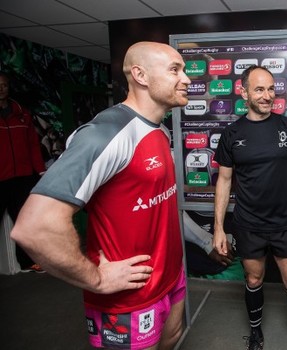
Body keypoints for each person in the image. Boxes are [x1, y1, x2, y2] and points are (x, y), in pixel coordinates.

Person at [11, 41, 191, 350]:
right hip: (128, 297)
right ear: (141, 75)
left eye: (184, 70)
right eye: (175, 70)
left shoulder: (159, 131)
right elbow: (34, 227)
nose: (186, 79)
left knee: (172, 339)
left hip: (171, 277)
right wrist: (95, 279)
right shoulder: (104, 134)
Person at [213, 65, 287, 350]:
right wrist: (218, 228)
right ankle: (256, 334)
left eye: (271, 89)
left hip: (286, 222)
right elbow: (224, 181)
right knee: (253, 278)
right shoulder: (232, 133)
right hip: (248, 223)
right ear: (244, 92)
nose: (267, 96)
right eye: (259, 89)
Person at [0, 71, 46, 273]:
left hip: (23, 176)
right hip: (1, 177)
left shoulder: (22, 113)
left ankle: (27, 262)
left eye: (4, 85)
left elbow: (33, 145)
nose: (1, 88)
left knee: (24, 220)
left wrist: (41, 171)